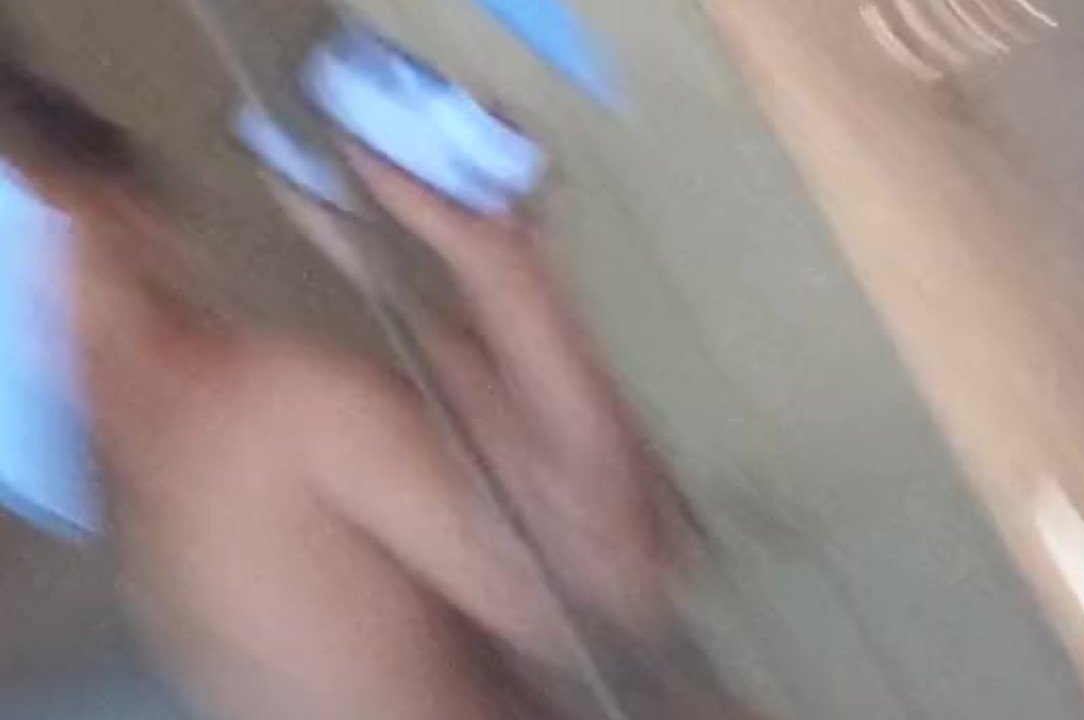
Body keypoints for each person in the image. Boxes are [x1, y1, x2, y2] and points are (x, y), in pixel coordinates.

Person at [0, 61, 701, 720]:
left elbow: (544, 574)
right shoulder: (278, 418)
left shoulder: (164, 527)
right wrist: (501, 266)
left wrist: (425, 295)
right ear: (131, 214)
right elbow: (604, 586)